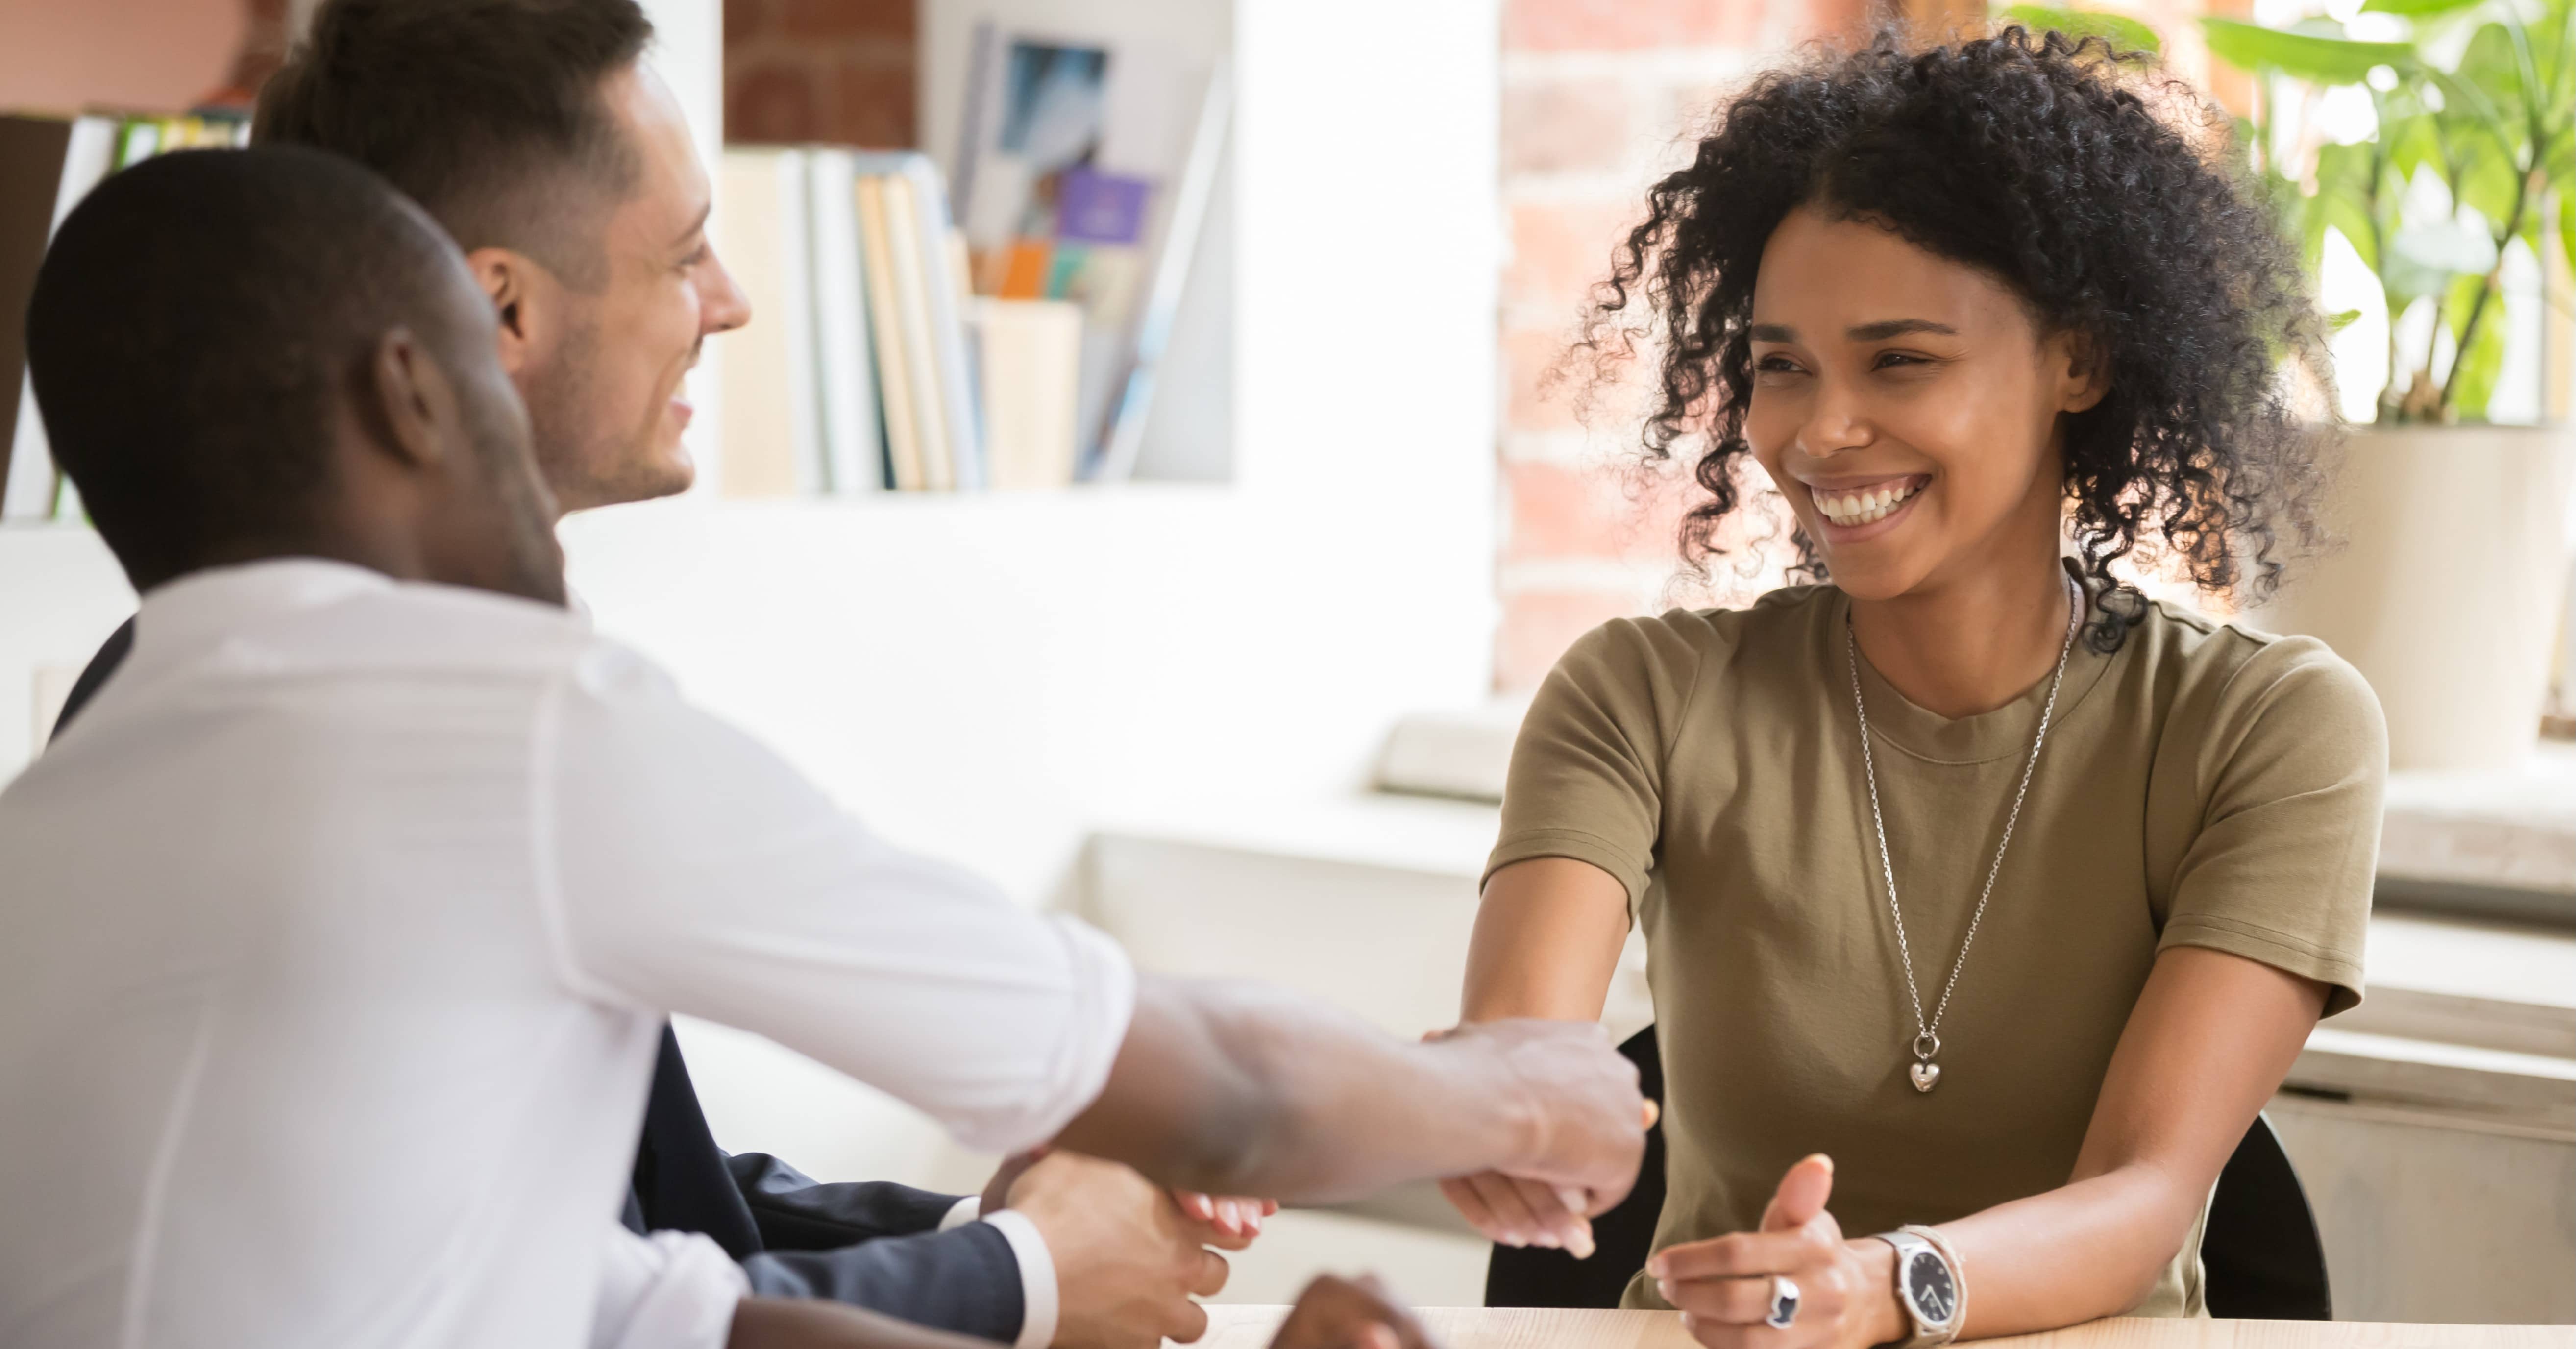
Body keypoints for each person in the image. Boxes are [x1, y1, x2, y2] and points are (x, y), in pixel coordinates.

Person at [0, 145, 1647, 1348]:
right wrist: (1511, 1093)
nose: (723, 306)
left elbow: (669, 1316)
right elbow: (1226, 1093)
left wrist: (1025, 1268)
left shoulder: (50, 826)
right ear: (417, 397)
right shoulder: (508, 725)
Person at [37, 1, 1284, 1345]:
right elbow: (588, 1314)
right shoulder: (424, 739)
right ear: (494, 311)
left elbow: (634, 1211)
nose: (732, 304)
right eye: (687, 253)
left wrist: (982, 1228)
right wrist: (1025, 1270)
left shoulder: (264, 688)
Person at [1448, 26, 2385, 1349]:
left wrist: (1886, 1285)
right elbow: (1526, 1049)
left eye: (1899, 361)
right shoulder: (1638, 697)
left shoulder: (2265, 728)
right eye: (1781, 365)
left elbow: (2145, 1190)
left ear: (2078, 361)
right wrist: (1491, 1105)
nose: (1819, 433)